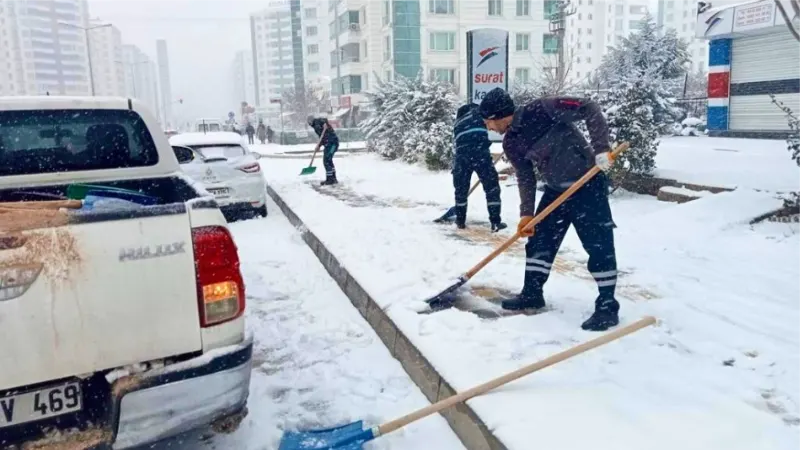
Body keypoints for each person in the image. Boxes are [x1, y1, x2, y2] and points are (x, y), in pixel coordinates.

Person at [478, 87, 618, 332]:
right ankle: (532, 294)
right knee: (539, 241)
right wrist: (526, 214)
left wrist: (601, 149)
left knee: (598, 244)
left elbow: (589, 107)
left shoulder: (542, 109)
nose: (489, 128)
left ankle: (607, 305)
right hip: (556, 190)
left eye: (489, 122)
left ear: (500, 115)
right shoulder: (511, 142)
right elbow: (525, 176)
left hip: (587, 182)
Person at [451, 103, 506, 232]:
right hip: (481, 154)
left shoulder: (457, 123)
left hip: (462, 157)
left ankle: (460, 221)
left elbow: (458, 143)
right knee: (491, 187)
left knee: (461, 190)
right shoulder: (481, 113)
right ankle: (495, 222)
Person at [307, 115, 340, 186]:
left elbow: (324, 120)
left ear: (310, 122)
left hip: (332, 144)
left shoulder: (317, 123)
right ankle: (333, 178)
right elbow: (322, 137)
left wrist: (326, 123)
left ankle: (330, 179)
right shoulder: (316, 125)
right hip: (332, 143)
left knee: (327, 160)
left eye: (309, 123)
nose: (309, 125)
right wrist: (319, 146)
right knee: (329, 160)